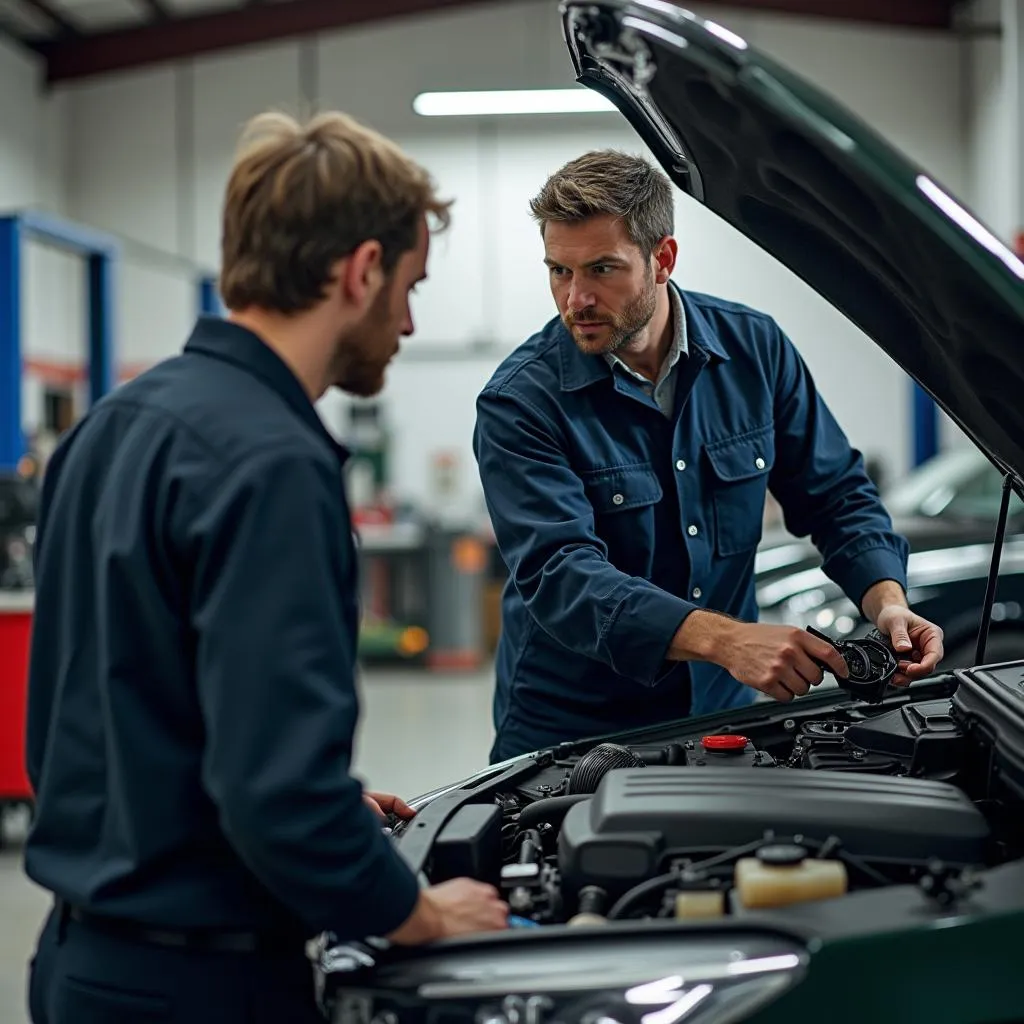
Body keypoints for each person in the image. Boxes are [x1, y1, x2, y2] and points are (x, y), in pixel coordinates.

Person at [23, 110, 508, 1024]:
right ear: (360, 271)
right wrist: (414, 912)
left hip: (77, 965)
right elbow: (275, 795)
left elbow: (113, 717)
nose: (406, 322)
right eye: (408, 286)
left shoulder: (111, 427)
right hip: (203, 987)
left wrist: (310, 803)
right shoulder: (274, 464)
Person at [473, 150, 945, 763]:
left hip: (724, 709)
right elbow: (561, 574)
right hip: (575, 728)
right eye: (559, 271)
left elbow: (835, 495)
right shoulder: (521, 402)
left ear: (662, 258)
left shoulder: (756, 351)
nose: (576, 299)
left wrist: (888, 603)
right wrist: (725, 640)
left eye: (601, 269)